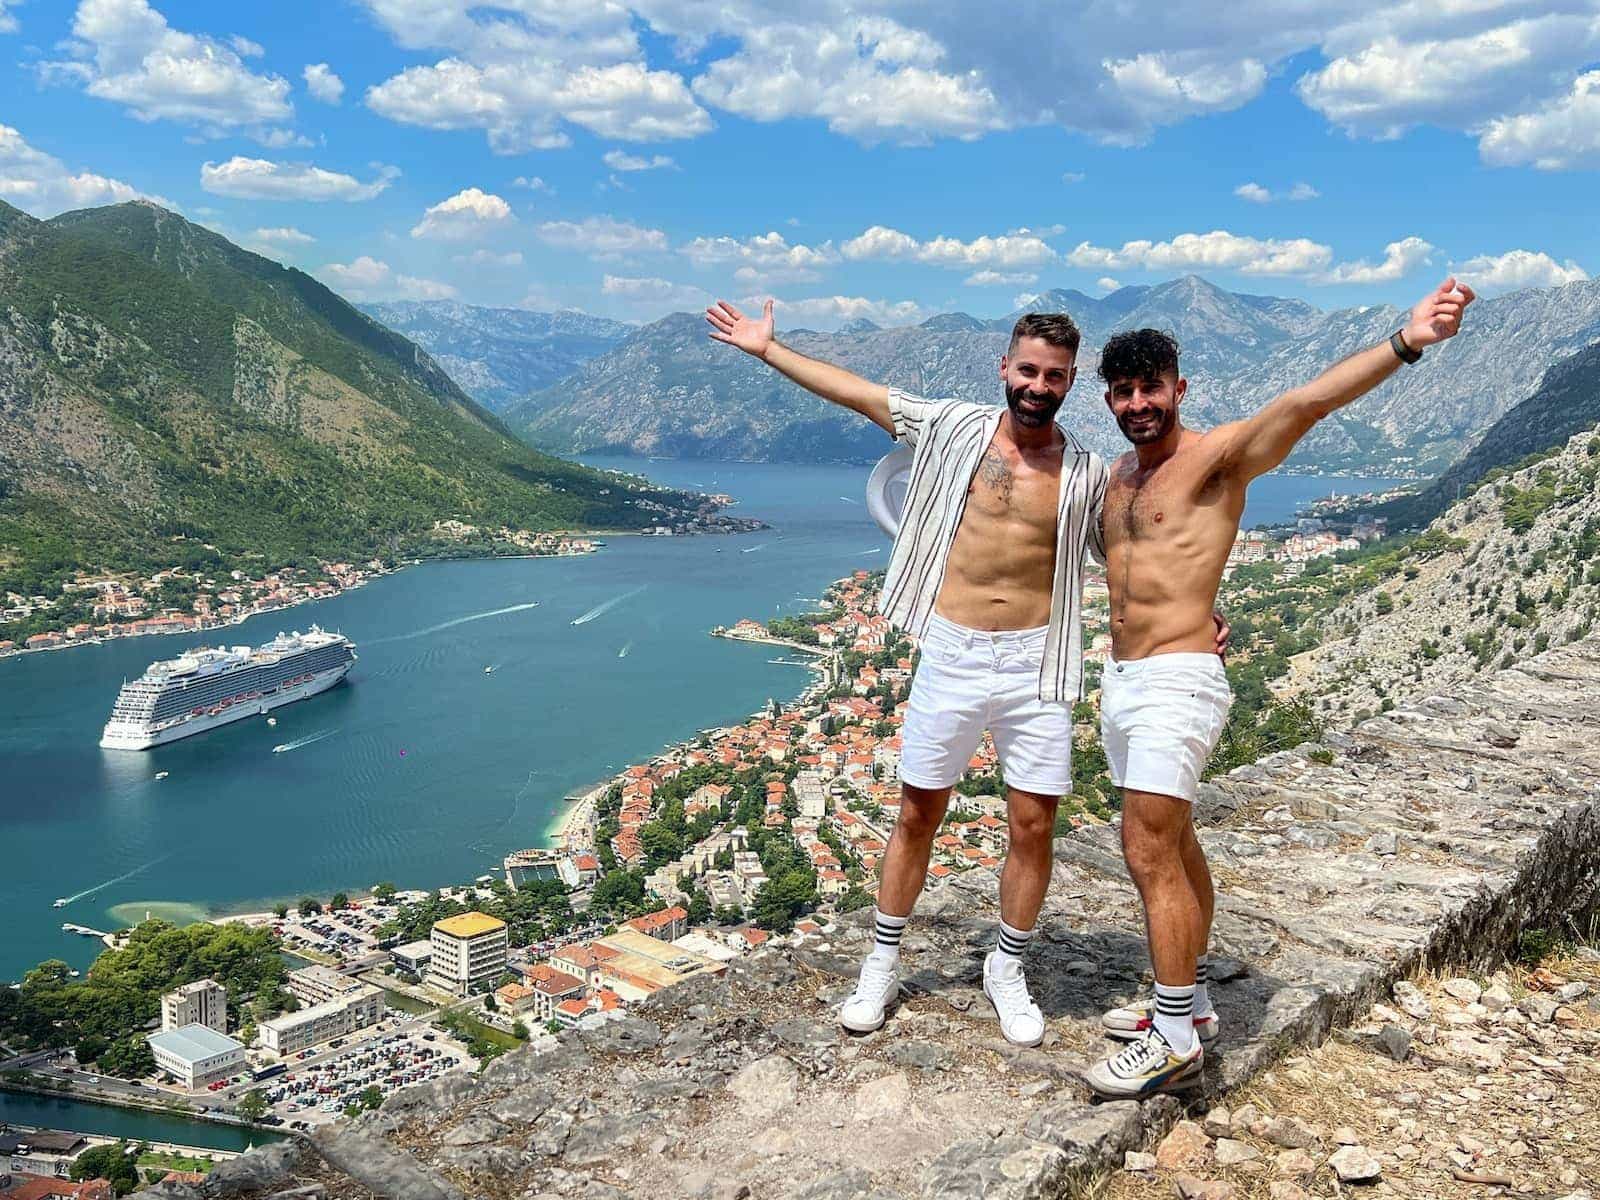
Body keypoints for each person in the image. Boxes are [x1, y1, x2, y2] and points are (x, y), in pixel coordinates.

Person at [705, 298, 1225, 1045]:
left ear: (1072, 381)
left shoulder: (1084, 472)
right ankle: (880, 964)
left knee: (1032, 823)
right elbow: (855, 392)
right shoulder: (950, 427)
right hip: (953, 649)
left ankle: (1006, 967)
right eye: (1026, 370)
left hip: (1034, 662)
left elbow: (1140, 550)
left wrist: (1196, 611)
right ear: (1004, 369)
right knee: (919, 810)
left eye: (1053, 375)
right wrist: (767, 349)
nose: (1037, 385)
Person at [1083, 277, 1475, 1098]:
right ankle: (1186, 1011)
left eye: (1150, 386)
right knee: (1177, 841)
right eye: (1121, 391)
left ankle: (1171, 1039)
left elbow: (1303, 403)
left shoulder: (1215, 457)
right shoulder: (1118, 478)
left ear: (1178, 388)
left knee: (1145, 846)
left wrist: (1408, 341)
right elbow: (1132, 569)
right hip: (1123, 681)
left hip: (1178, 681)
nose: (1136, 403)